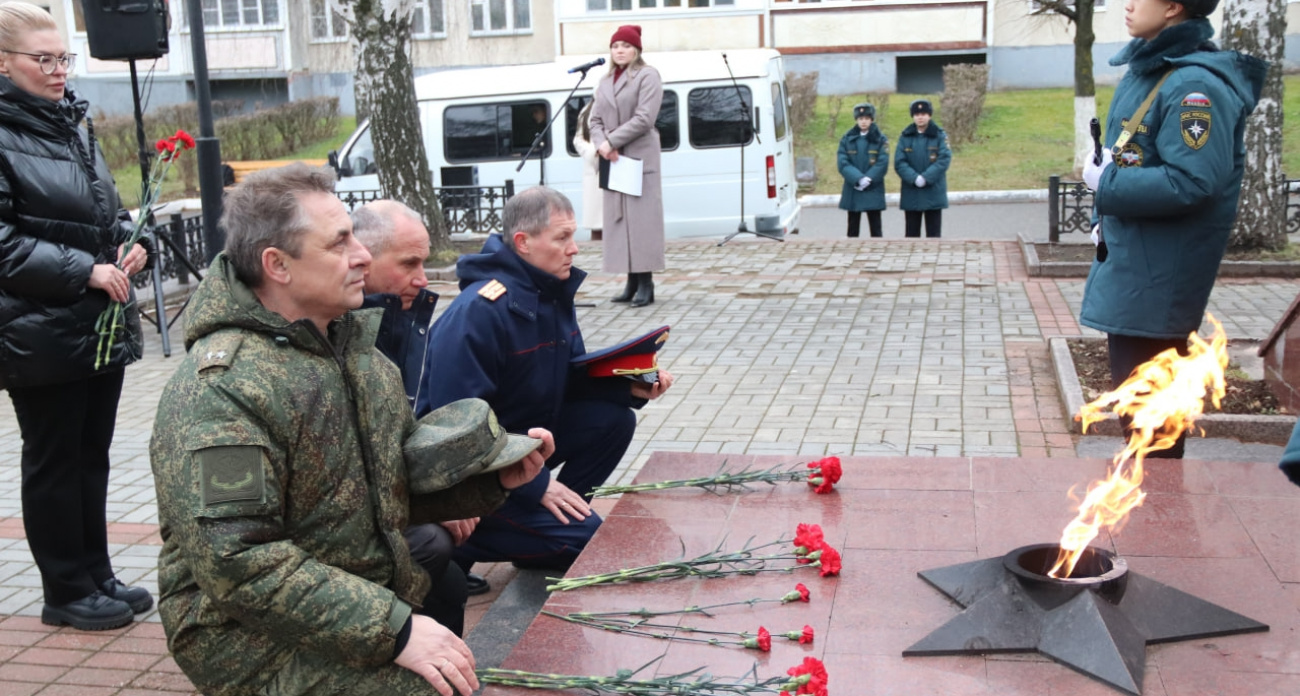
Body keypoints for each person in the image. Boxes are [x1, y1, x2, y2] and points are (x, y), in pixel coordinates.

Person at [149, 164, 553, 696]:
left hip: (342, 590)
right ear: (278, 265)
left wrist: (494, 482)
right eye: (339, 244)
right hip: (241, 634)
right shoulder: (221, 392)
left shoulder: (357, 358)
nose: (362, 255)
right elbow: (239, 563)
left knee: (450, 645)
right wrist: (396, 630)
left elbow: (387, 487)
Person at [416, 186, 675, 572]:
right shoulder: (480, 313)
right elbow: (457, 435)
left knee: (615, 420)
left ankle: (550, 519)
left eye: (573, 236)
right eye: (562, 238)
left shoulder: (548, 292)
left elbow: (567, 382)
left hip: (523, 448)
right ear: (523, 242)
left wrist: (631, 387)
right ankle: (456, 551)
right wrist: (536, 486)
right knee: (586, 540)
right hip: (472, 481)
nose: (574, 249)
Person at [0, 2, 155, 631]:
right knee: (55, 459)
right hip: (38, 327)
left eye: (63, 57)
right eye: (44, 59)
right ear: (4, 64)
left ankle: (97, 574)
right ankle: (65, 590)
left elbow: (96, 211)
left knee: (92, 456)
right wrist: (82, 269)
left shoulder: (71, 123)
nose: (59, 69)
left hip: (96, 322)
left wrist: (125, 240)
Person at [1079, 0, 1265, 458]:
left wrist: (1109, 184)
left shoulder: (1193, 85)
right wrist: (1107, 208)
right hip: (1137, 266)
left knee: (1153, 435)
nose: (1127, 4)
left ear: (1172, 9)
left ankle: (1159, 523)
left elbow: (1192, 182)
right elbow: (1137, 154)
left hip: (1158, 279)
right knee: (1139, 424)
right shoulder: (1156, 69)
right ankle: (1147, 521)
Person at [352, 201, 491, 608]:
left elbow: (398, 436)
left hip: (384, 499)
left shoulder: (395, 320)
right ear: (362, 257)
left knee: (447, 575)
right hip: (347, 517)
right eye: (409, 264)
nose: (422, 279)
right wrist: (425, 508)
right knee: (435, 552)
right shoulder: (344, 330)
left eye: (424, 263)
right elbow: (355, 457)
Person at [589, 24, 665, 308]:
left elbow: (645, 118)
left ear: (637, 50)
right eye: (615, 46)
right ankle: (631, 281)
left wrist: (611, 141)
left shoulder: (647, 76)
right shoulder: (605, 81)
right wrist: (601, 143)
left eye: (626, 46)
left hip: (638, 158)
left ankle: (646, 283)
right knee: (620, 222)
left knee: (642, 222)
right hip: (614, 159)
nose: (620, 50)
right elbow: (594, 120)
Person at [894, 99, 951, 238]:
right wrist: (914, 178)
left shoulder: (939, 135)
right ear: (913, 116)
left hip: (933, 190)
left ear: (929, 115)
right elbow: (899, 162)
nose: (920, 117)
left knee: (934, 236)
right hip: (911, 191)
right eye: (917, 114)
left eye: (924, 114)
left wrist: (926, 178)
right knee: (911, 236)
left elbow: (943, 159)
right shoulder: (905, 136)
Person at [837, 102, 889, 238]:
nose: (864, 122)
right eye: (861, 119)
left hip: (873, 186)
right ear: (857, 120)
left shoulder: (880, 139)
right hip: (853, 186)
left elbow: (882, 162)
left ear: (871, 120)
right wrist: (858, 178)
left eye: (867, 118)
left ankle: (877, 251)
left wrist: (869, 178)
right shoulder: (847, 138)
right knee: (853, 227)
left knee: (876, 227)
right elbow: (843, 162)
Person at [572, 101, 605, 242]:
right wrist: (592, 151)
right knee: (596, 223)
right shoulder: (587, 110)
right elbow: (578, 139)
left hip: (616, 163)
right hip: (594, 169)